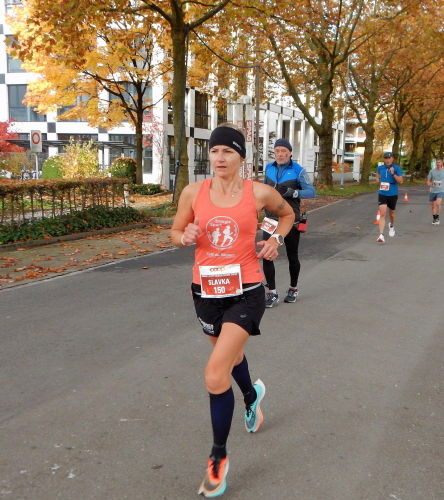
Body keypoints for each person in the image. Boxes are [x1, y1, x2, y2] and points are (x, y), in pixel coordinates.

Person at [170, 124, 295, 497]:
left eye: (228, 151)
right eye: (214, 151)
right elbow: (175, 232)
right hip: (206, 291)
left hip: (247, 290)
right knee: (231, 356)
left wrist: (275, 239)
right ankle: (251, 396)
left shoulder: (259, 193)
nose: (220, 158)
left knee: (214, 374)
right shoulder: (193, 192)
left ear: (241, 157)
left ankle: (218, 457)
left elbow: (287, 215)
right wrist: (184, 237)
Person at [262, 138, 316, 307]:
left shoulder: (298, 170)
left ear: (290, 153)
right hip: (270, 219)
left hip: (290, 218)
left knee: (292, 256)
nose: (280, 154)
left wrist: (294, 193)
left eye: (284, 151)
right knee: (267, 255)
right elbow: (264, 189)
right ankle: (271, 292)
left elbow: (311, 192)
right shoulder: (269, 168)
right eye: (277, 151)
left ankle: (293, 288)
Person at [376, 152, 404, 242]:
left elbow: (401, 181)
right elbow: (378, 173)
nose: (387, 160)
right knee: (382, 213)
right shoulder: (380, 167)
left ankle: (391, 226)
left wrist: (393, 174)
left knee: (391, 213)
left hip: (392, 193)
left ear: (392, 159)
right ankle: (381, 235)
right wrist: (377, 178)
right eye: (386, 158)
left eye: (389, 158)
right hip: (382, 192)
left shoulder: (396, 168)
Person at [427, 158, 444, 224]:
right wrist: (429, 183)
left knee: (438, 203)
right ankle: (434, 218)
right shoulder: (432, 171)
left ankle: (437, 216)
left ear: (442, 163)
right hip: (433, 190)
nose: (438, 163)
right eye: (437, 162)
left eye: (439, 162)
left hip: (441, 190)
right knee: (433, 205)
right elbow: (428, 180)